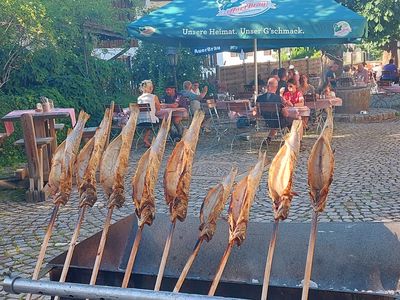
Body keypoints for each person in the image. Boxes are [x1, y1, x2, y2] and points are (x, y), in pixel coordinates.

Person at [257, 78, 289, 144]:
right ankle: (295, 141)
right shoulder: (279, 98)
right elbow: (285, 114)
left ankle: (269, 138)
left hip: (265, 121)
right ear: (276, 87)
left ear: (267, 86)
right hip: (278, 122)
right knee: (292, 120)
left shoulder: (259, 98)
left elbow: (258, 113)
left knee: (275, 119)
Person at [137, 79, 161, 148]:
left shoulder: (139, 98)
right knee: (160, 121)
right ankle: (158, 139)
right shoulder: (153, 97)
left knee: (149, 123)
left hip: (140, 121)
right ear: (150, 88)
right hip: (150, 121)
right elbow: (159, 109)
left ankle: (146, 139)